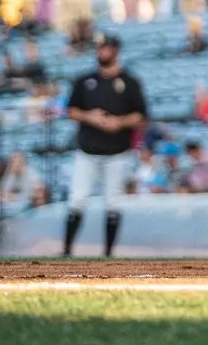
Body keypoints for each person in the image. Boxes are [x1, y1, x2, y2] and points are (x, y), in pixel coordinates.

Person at [63, 35, 148, 257]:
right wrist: (90, 117)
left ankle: (108, 253)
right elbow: (71, 110)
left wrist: (118, 122)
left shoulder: (129, 82)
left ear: (116, 50)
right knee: (77, 200)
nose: (102, 52)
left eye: (106, 48)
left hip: (117, 151)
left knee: (113, 203)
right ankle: (67, 251)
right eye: (99, 48)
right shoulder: (84, 81)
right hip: (87, 151)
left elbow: (142, 117)